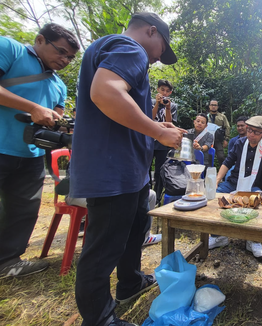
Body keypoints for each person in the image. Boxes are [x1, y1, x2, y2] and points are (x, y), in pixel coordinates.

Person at [70, 12, 184, 326]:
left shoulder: (114, 49)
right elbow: (105, 92)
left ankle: (130, 282)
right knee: (103, 247)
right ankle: (99, 319)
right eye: (163, 48)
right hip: (111, 169)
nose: (159, 58)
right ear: (151, 31)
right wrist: (160, 133)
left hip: (128, 170)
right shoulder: (129, 47)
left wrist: (155, 127)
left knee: (134, 230)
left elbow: (121, 109)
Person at [0, 24, 80, 279]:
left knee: (23, 210)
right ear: (40, 39)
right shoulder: (10, 49)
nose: (65, 60)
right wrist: (33, 107)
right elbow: (37, 110)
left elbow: (56, 118)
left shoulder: (59, 85)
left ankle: (8, 262)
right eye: (62, 52)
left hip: (31, 154)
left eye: (70, 57)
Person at [213, 116, 262, 258]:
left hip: (255, 185)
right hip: (233, 182)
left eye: (256, 131)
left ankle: (253, 240)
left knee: (257, 203)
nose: (251, 134)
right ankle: (218, 236)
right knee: (216, 197)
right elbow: (228, 162)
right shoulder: (240, 142)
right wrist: (217, 180)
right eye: (249, 130)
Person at [152, 79, 178, 205]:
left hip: (163, 143)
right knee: (145, 168)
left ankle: (157, 197)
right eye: (162, 90)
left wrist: (167, 107)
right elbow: (149, 119)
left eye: (167, 91)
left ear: (170, 93)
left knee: (159, 171)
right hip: (149, 140)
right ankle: (147, 195)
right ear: (158, 90)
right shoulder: (150, 102)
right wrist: (157, 104)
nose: (165, 93)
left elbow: (170, 124)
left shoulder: (172, 106)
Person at [208, 99, 231, 166]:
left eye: (215, 105)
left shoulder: (222, 116)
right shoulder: (206, 116)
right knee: (208, 157)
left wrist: (226, 139)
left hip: (218, 139)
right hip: (208, 139)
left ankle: (222, 174)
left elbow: (227, 127)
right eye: (212, 105)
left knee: (221, 157)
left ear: (217, 107)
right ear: (209, 106)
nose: (213, 107)